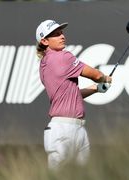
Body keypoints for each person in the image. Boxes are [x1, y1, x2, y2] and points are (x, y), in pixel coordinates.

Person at [35, 19, 112, 170]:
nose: (62, 36)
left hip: (74, 129)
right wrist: (104, 78)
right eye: (56, 34)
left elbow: (72, 95)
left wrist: (97, 88)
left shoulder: (44, 64)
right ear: (44, 41)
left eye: (61, 32)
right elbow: (95, 74)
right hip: (64, 131)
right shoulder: (63, 57)